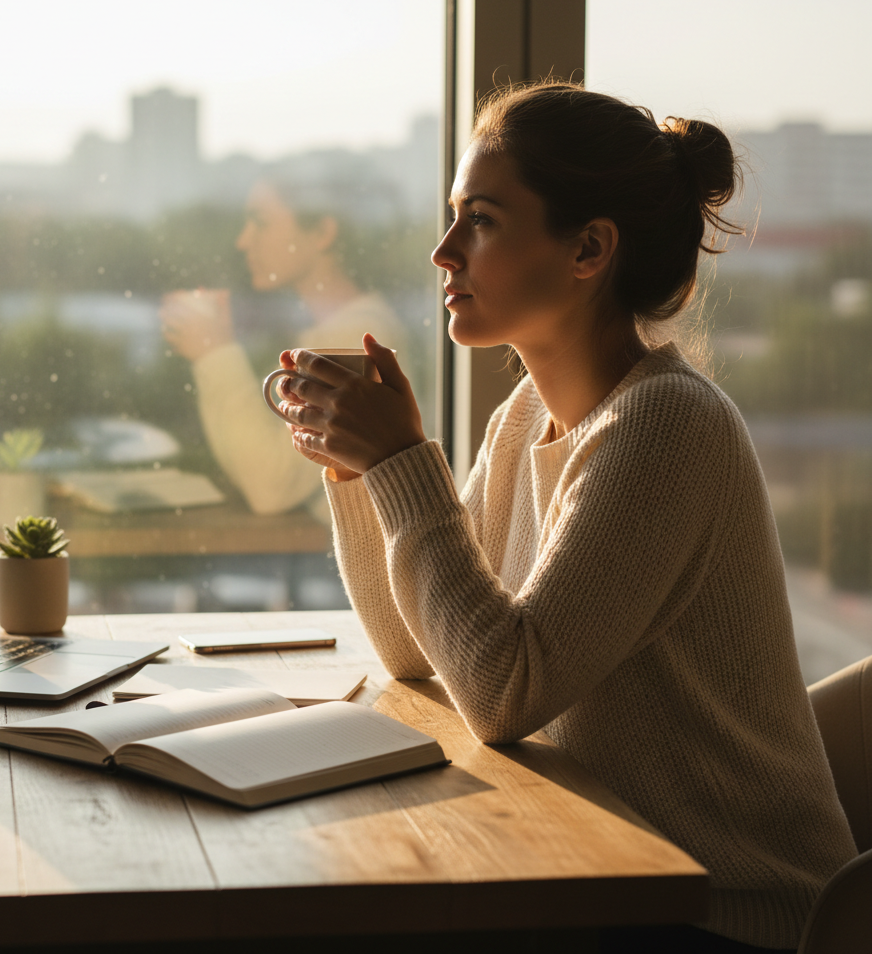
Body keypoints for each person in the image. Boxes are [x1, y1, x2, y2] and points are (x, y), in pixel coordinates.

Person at [270, 82, 857, 952]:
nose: (443, 251)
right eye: (452, 216)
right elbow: (417, 650)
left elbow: (505, 691)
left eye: (483, 220)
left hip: (729, 913)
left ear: (588, 248)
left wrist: (401, 463)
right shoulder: (521, 422)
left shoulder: (667, 427)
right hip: (609, 880)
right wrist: (359, 472)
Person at [159, 168, 407, 521]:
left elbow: (271, 487)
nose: (243, 241)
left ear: (322, 232)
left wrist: (214, 352)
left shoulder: (355, 341)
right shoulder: (344, 330)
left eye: (260, 223)